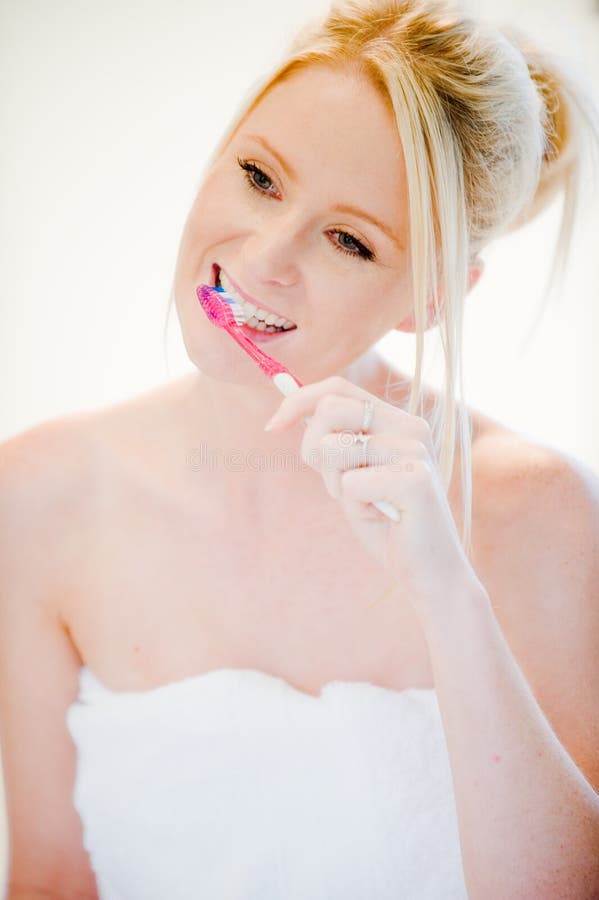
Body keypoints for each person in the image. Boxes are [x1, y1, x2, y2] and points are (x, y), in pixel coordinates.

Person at [1, 0, 599, 896]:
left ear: (429, 299)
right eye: (258, 175)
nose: (264, 255)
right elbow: (50, 876)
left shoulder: (536, 511)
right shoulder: (35, 496)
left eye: (350, 240)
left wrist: (445, 592)